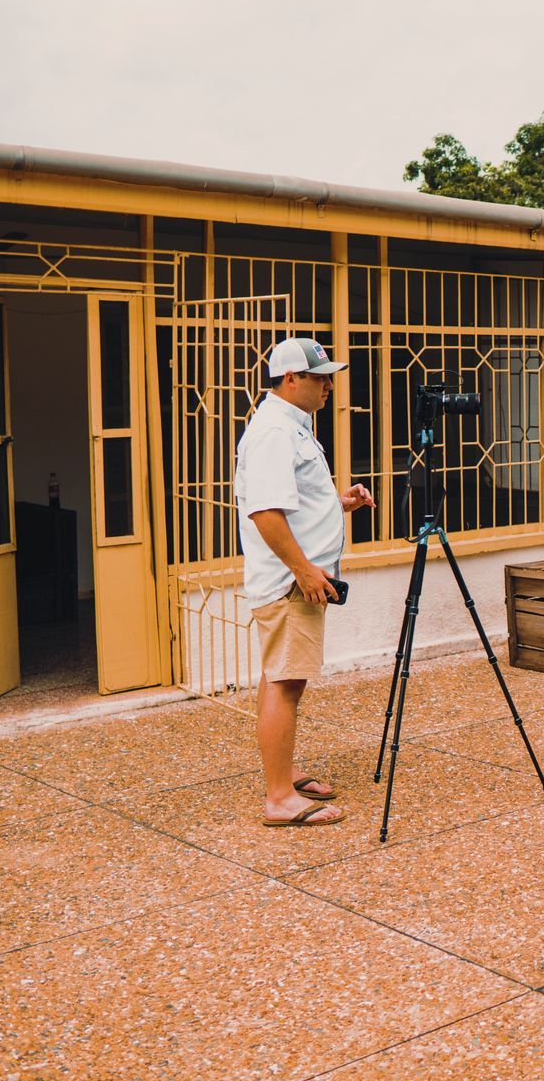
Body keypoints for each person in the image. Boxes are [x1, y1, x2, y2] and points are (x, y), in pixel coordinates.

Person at [236, 337, 376, 827]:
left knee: (279, 675)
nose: (328, 386)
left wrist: (338, 503)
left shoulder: (291, 425)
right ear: (290, 379)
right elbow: (265, 512)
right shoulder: (275, 430)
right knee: (286, 682)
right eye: (319, 378)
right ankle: (279, 799)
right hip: (290, 581)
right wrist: (302, 569)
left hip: (294, 576)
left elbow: (291, 499)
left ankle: (284, 770)